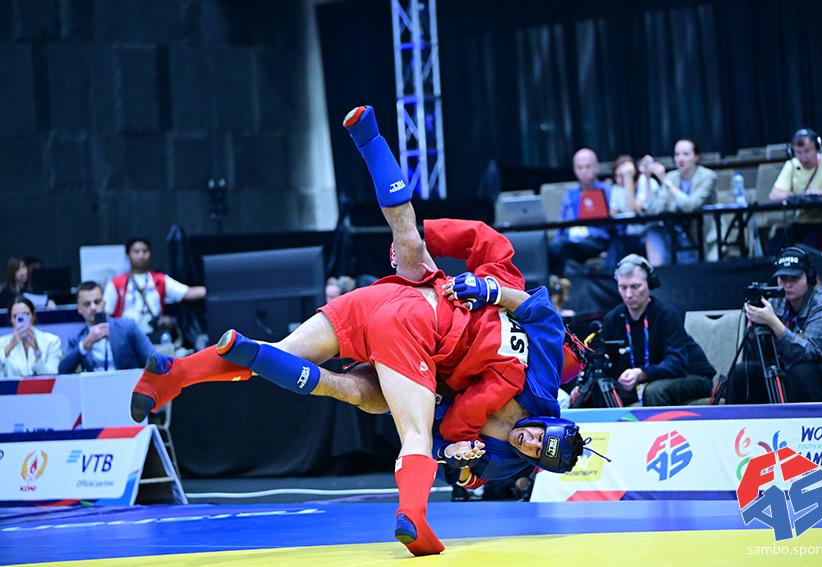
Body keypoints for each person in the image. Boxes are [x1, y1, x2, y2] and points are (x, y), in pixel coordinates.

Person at [129, 105, 591, 557]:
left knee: (338, 370)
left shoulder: (508, 455)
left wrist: (460, 463)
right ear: (549, 420)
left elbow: (467, 473)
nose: (530, 441)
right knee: (400, 423)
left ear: (535, 463)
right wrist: (486, 287)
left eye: (536, 451)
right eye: (539, 437)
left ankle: (177, 373)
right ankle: (413, 517)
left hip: (391, 304)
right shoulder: (540, 373)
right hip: (421, 322)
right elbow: (532, 303)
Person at [726, 246, 822, 404]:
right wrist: (753, 331)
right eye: (783, 279)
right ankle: (738, 421)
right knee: (742, 373)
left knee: (801, 372)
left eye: (794, 279)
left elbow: (808, 353)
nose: (788, 285)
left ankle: (804, 420)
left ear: (809, 278)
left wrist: (772, 321)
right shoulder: (777, 300)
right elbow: (767, 353)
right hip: (793, 365)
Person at [598, 254, 715, 406]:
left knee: (654, 391)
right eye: (623, 287)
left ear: (650, 284)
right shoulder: (612, 319)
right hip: (648, 381)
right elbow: (608, 363)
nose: (628, 294)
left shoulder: (666, 314)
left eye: (635, 287)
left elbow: (676, 364)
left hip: (692, 375)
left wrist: (642, 373)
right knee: (601, 390)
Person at [103, 238, 206, 342]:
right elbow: (106, 314)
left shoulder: (160, 279)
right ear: (128, 255)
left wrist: (212, 289)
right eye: (136, 252)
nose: (141, 255)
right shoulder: (116, 283)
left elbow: (187, 292)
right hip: (126, 338)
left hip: (154, 335)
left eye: (145, 251)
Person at [768, 128, 822, 253]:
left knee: (807, 246)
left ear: (817, 147)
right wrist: (799, 196)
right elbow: (774, 195)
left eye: (807, 151)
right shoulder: (792, 165)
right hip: (802, 223)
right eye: (798, 153)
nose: (804, 158)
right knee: (777, 246)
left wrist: (820, 194)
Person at [640, 139, 718, 264]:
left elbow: (690, 206)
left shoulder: (708, 176)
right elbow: (654, 210)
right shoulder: (672, 177)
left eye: (685, 154)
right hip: (679, 237)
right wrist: (647, 179)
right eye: (677, 154)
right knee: (652, 231)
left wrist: (665, 181)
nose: (680, 158)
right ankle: (658, 272)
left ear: (696, 157)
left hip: (704, 238)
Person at [59, 282, 157, 374]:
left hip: (128, 384)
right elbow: (63, 371)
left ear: (104, 303)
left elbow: (154, 360)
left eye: (97, 302)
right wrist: (86, 344)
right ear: (79, 309)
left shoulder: (127, 328)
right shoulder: (77, 340)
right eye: (87, 304)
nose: (93, 307)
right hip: (94, 385)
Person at [548, 148, 612, 272]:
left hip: (596, 240)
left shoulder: (608, 191)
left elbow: (615, 226)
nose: (584, 171)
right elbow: (561, 225)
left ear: (596, 167)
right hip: (569, 239)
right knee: (549, 248)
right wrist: (555, 241)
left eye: (587, 167)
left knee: (565, 248)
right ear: (574, 169)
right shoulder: (569, 194)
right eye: (580, 167)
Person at [608, 154, 659, 260]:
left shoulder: (646, 182)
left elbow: (632, 210)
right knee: (615, 243)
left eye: (622, 175)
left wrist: (628, 180)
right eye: (617, 175)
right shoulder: (617, 189)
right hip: (629, 234)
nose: (619, 180)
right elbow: (613, 213)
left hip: (650, 231)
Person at [0, 296, 62, 377]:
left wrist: (36, 351)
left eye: (26, 314)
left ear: (33, 316)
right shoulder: (2, 343)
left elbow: (53, 376)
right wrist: (9, 347)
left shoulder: (52, 341)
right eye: (16, 316)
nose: (21, 319)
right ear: (10, 319)